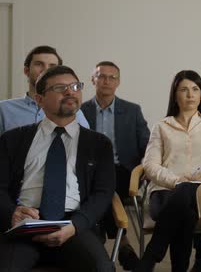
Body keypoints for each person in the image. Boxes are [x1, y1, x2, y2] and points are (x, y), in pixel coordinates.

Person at [0, 65, 115, 271]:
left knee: (102, 268)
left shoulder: (99, 144)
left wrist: (76, 226)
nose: (70, 91)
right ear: (39, 99)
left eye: (75, 86)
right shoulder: (13, 140)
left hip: (74, 224)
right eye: (60, 87)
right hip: (24, 223)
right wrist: (12, 213)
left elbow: (103, 193)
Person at [134, 70, 201, 272]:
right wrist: (176, 181)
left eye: (195, 89)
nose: (190, 95)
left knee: (186, 202)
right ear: (175, 95)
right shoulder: (162, 127)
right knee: (186, 214)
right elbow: (150, 165)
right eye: (184, 89)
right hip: (164, 192)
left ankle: (151, 256)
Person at [80, 61, 150, 270]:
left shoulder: (132, 110)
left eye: (112, 77)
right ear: (93, 80)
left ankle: (99, 238)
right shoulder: (81, 111)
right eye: (101, 76)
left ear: (118, 82)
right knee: (100, 186)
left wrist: (146, 168)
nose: (106, 81)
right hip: (87, 171)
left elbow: (148, 145)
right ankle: (124, 245)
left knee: (106, 185)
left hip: (123, 170)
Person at [0, 45, 89, 134]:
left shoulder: (76, 113)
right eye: (39, 64)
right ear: (26, 71)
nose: (46, 70)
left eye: (52, 66)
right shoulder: (3, 110)